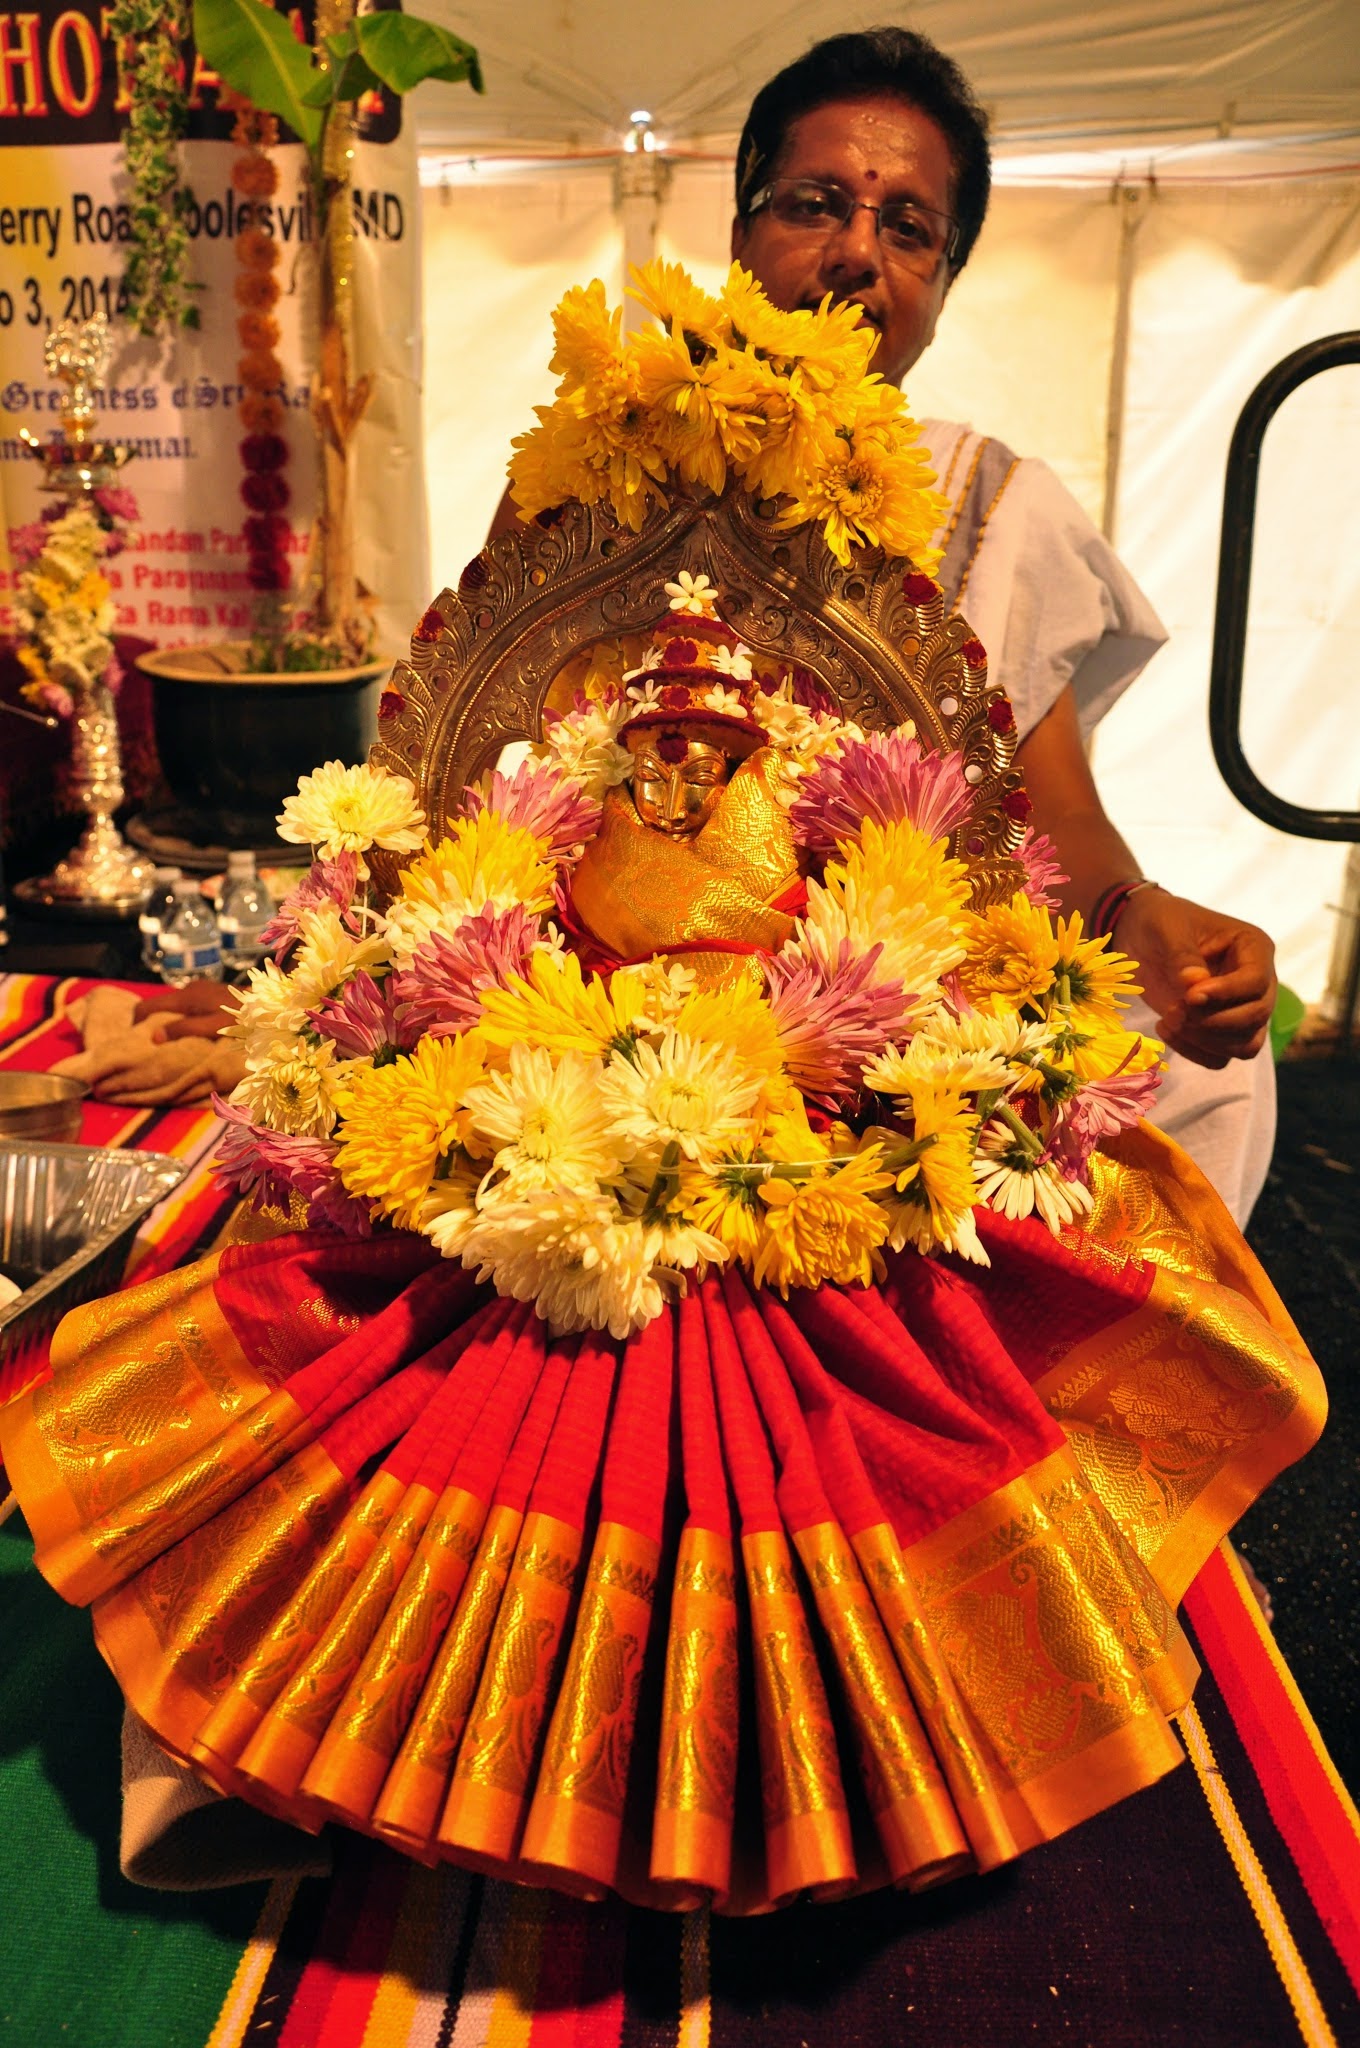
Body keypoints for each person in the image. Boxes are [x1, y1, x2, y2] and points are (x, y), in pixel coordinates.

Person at [723, 28, 1280, 1223]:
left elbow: (1056, 815)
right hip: (635, 981)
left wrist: (1138, 914)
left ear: (938, 288)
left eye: (908, 229)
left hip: (912, 995)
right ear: (740, 235)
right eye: (814, 205)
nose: (856, 254)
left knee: (1202, 1075)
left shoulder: (987, 503)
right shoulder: (598, 465)